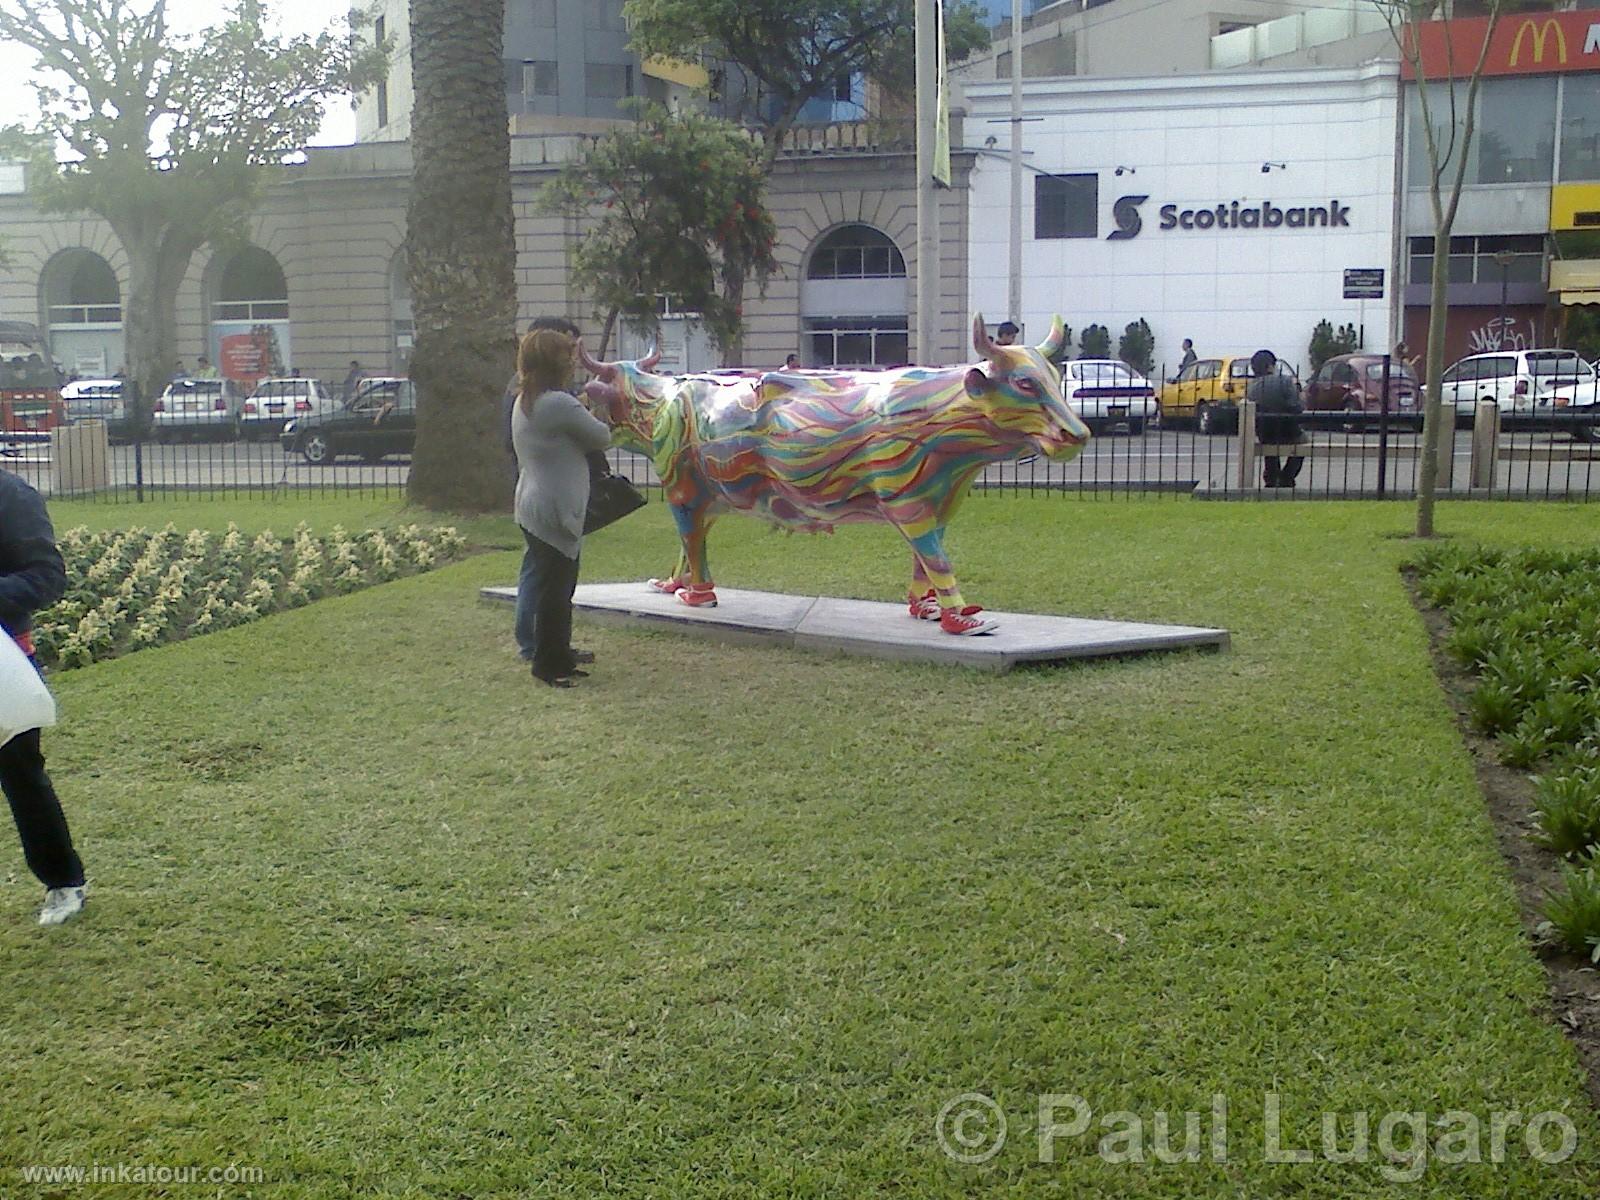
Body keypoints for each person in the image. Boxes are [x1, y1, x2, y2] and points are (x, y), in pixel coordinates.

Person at [0, 467, 86, 926]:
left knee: (20, 775)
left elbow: (47, 576)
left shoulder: (10, 495)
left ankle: (63, 881)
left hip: (3, 661)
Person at [513, 327, 614, 688]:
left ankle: (559, 653)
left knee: (555, 587)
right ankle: (548, 664)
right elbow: (602, 436)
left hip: (534, 503)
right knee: (555, 591)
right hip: (554, 508)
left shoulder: (527, 398)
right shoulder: (557, 403)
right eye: (568, 357)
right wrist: (602, 402)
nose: (573, 363)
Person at [1247, 348, 1304, 488]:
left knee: (1270, 446)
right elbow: (1297, 407)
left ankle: (1271, 477)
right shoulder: (1284, 381)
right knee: (1303, 443)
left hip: (1265, 433)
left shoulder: (1251, 388)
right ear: (1270, 366)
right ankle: (1286, 477)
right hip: (1289, 432)